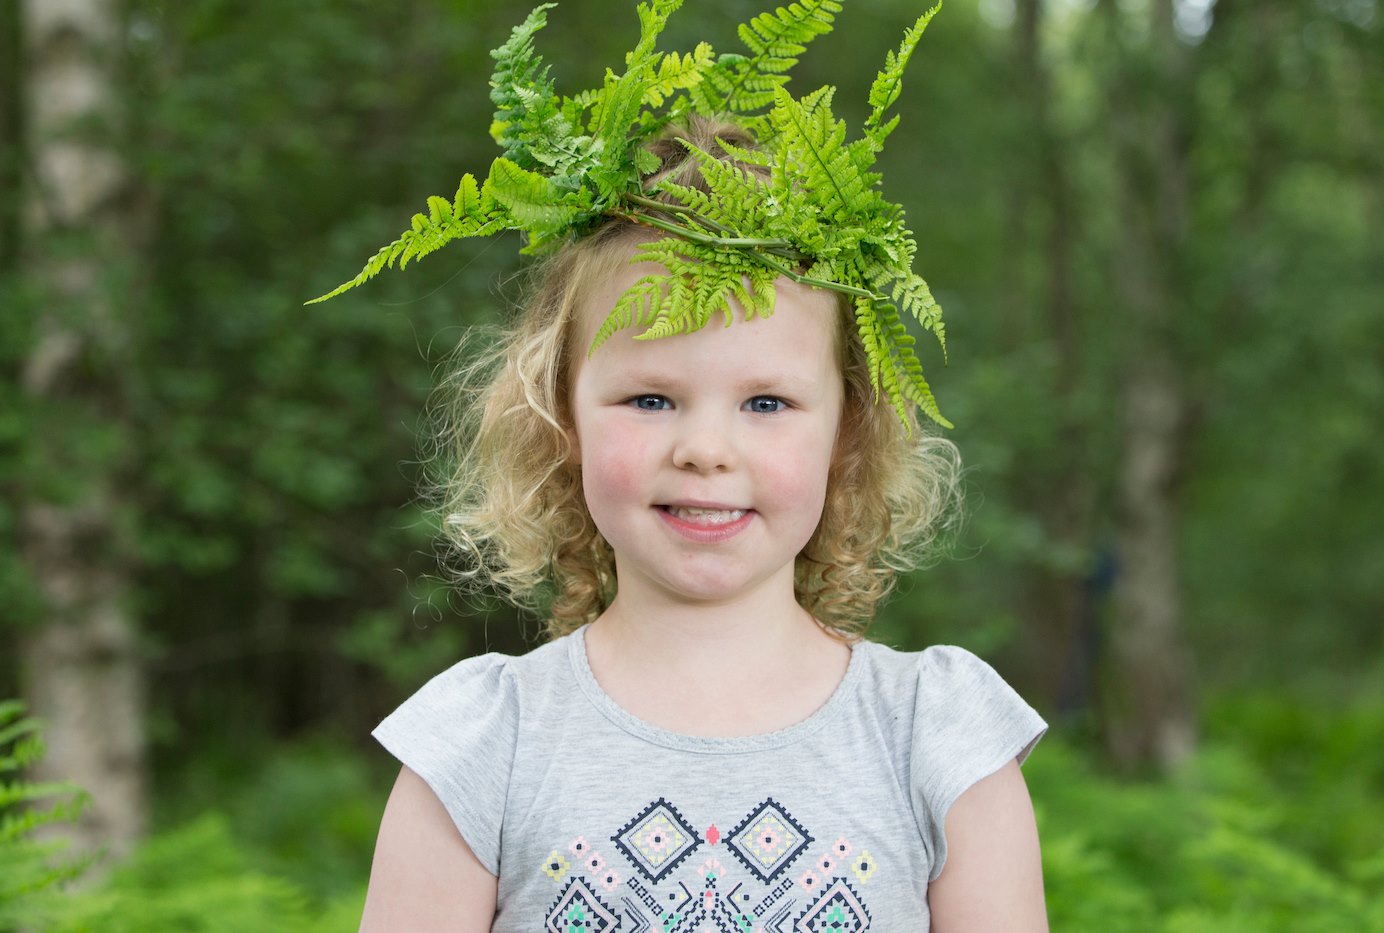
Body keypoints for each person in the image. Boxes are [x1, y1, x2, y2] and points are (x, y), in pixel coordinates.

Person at [321, 3, 1049, 930]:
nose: (705, 448)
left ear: (847, 431)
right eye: (652, 398)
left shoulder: (936, 737)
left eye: (767, 403)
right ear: (561, 417)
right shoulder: (483, 744)